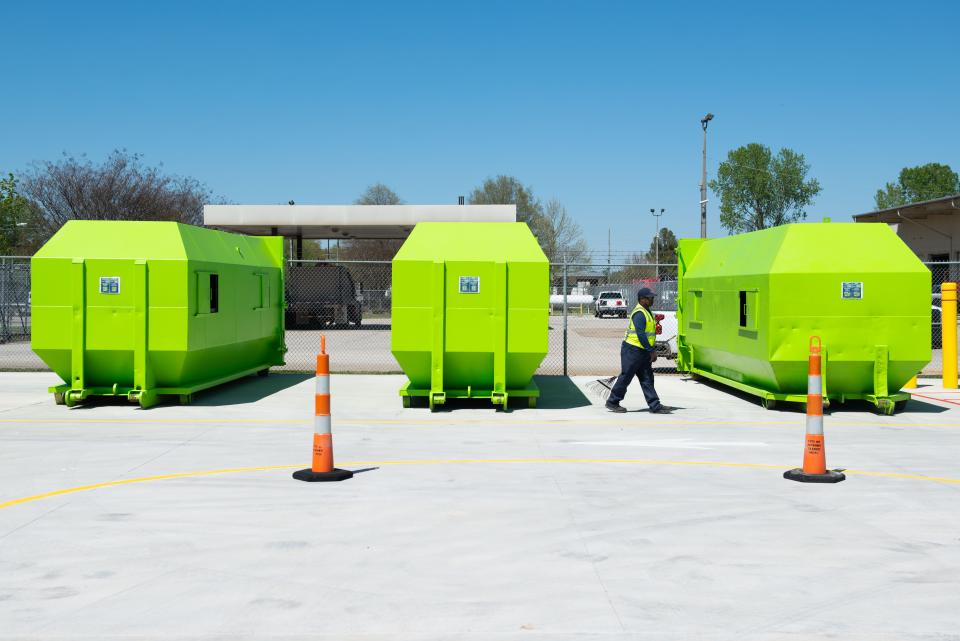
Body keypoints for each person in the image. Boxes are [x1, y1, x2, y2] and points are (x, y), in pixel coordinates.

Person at [605, 287, 672, 414]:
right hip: (632, 350)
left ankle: (655, 405)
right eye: (650, 298)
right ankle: (612, 402)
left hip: (641, 351)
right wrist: (651, 350)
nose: (652, 299)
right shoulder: (639, 313)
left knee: (647, 378)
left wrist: (649, 350)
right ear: (642, 299)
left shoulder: (647, 311)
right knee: (626, 376)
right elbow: (641, 334)